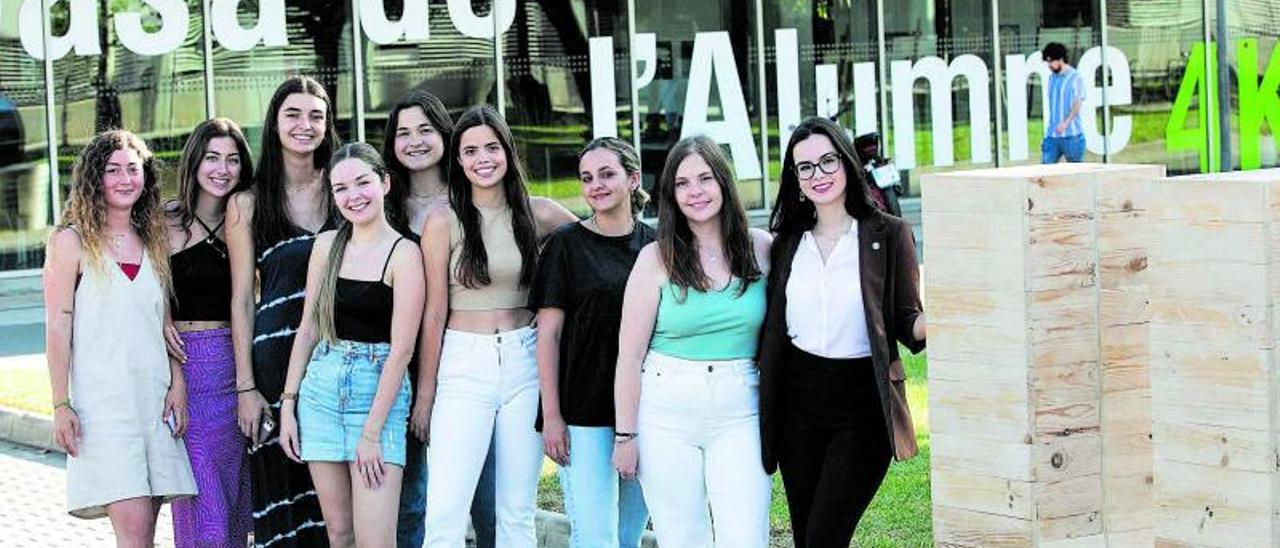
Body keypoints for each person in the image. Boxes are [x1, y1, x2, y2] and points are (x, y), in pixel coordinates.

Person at [759, 116, 927, 547]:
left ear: (847, 163)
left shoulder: (888, 233)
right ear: (795, 179)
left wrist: (954, 312)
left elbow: (909, 321)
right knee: (807, 537)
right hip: (797, 406)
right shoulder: (786, 242)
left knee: (824, 539)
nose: (819, 175)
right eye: (806, 167)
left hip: (862, 407)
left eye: (828, 161)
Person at [419, 105, 576, 547]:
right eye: (470, 150)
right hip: (462, 364)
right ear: (458, 160)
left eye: (491, 147)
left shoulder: (540, 214)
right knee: (446, 512)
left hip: (526, 363)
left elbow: (597, 247)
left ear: (507, 151)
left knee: (517, 512)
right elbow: (433, 313)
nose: (482, 158)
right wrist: (426, 395)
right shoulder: (442, 220)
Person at [612, 135, 773, 547]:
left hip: (741, 408)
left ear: (723, 182)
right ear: (671, 194)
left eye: (705, 178)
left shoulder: (761, 248)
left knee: (746, 536)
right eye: (682, 183)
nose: (695, 191)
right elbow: (629, 356)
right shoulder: (655, 258)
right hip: (666, 409)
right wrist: (626, 437)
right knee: (682, 537)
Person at [44, 129, 198, 546]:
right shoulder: (70, 241)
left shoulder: (152, 241)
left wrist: (177, 385)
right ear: (95, 179)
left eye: (134, 169)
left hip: (153, 402)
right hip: (104, 410)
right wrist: (61, 404)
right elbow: (57, 326)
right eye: (113, 170)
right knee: (133, 534)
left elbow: (164, 327)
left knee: (145, 534)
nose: (125, 178)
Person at [276, 143, 424, 547]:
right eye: (341, 188)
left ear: (385, 183)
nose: (353, 196)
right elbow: (308, 328)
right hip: (320, 392)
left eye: (363, 183)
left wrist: (372, 434)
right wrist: (288, 404)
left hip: (376, 398)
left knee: (376, 541)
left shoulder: (405, 254)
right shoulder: (326, 246)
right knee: (340, 535)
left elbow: (402, 351)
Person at [380, 91, 498, 548]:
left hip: (471, 363)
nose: (415, 141)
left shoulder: (477, 197)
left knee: (485, 499)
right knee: (413, 503)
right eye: (404, 133)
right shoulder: (380, 206)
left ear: (445, 135)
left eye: (425, 129)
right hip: (398, 367)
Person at [227, 75, 340, 547]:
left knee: (342, 516)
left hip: (344, 364)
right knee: (288, 513)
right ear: (274, 124)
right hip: (275, 372)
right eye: (292, 114)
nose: (305, 124)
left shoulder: (347, 185)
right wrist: (247, 387)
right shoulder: (248, 203)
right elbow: (240, 300)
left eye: (316, 115)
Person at [530, 137, 652, 548]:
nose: (595, 185)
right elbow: (548, 335)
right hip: (582, 413)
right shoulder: (565, 245)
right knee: (595, 537)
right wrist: (551, 416)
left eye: (606, 174)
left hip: (646, 412)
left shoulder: (658, 247)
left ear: (633, 179)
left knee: (629, 536)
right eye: (586, 178)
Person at [165, 118, 255, 547]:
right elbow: (156, 311)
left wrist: (247, 384)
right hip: (185, 365)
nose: (223, 169)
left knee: (237, 494)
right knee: (200, 495)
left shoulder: (247, 217)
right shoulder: (164, 222)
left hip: (234, 363)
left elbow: (246, 301)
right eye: (213, 158)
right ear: (195, 162)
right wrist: (176, 378)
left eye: (233, 160)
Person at [1042, 42, 1086, 163]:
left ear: (1060, 59)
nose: (1049, 65)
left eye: (1051, 61)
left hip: (1072, 135)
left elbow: (1078, 102)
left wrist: (1066, 123)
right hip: (1052, 135)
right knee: (1045, 170)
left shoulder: (1075, 77)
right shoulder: (1051, 78)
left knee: (1075, 174)